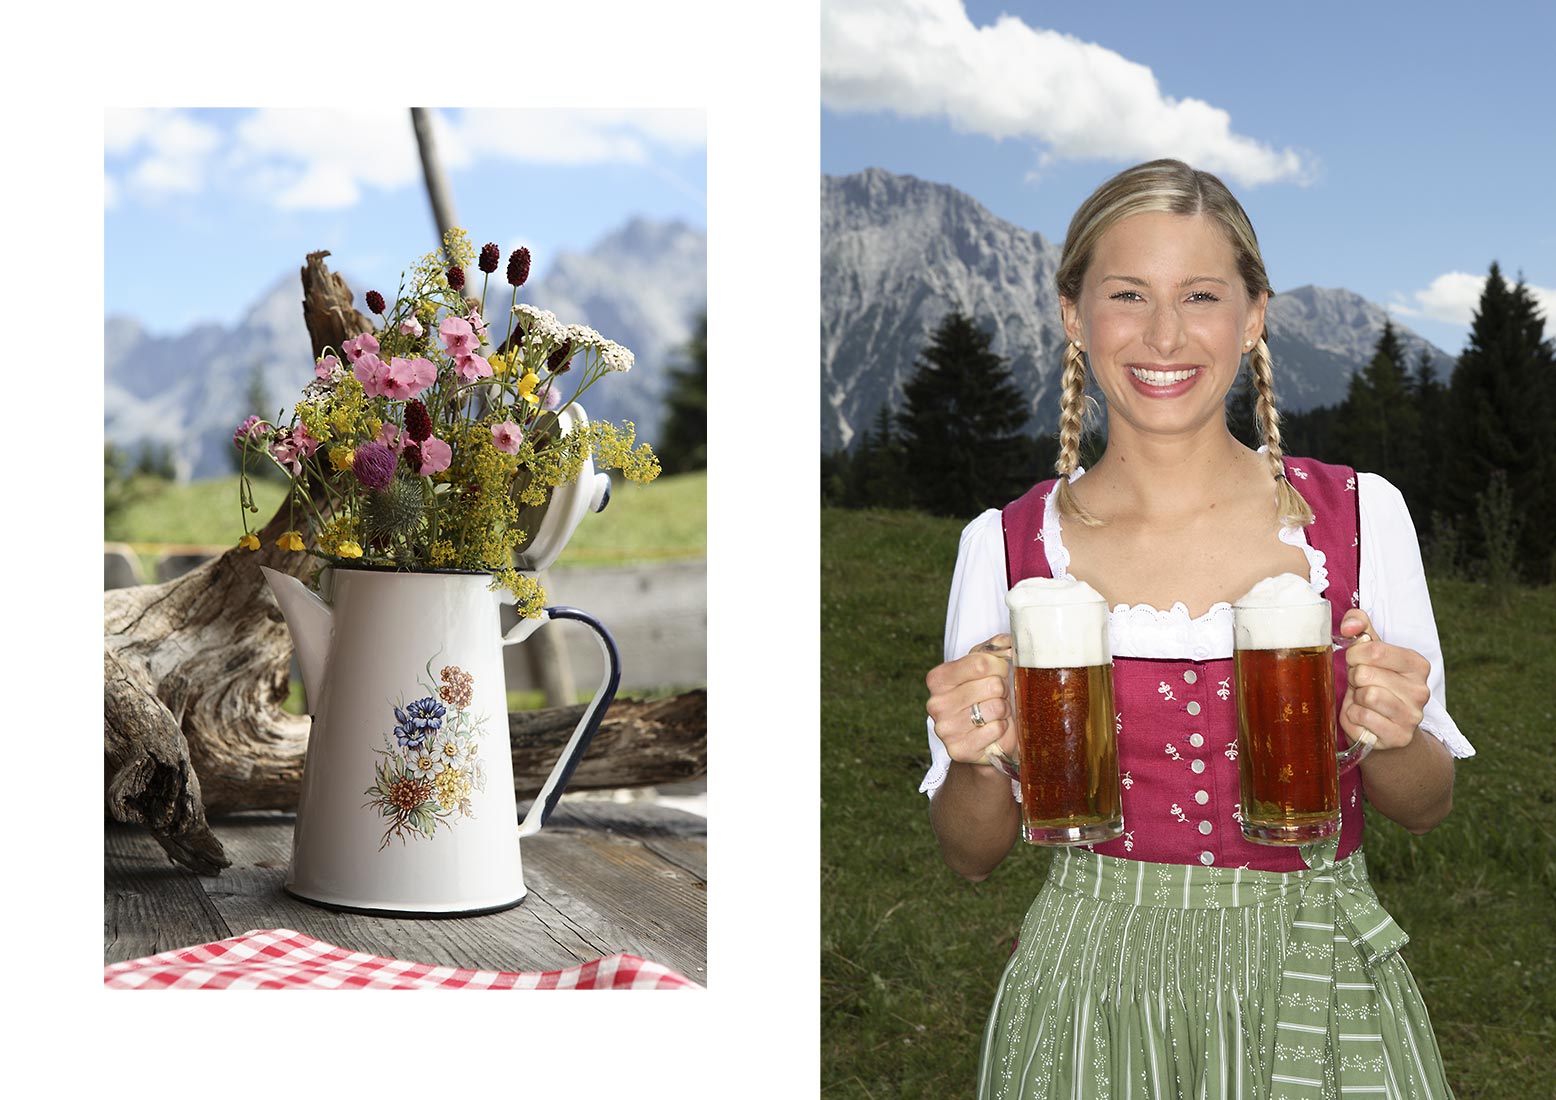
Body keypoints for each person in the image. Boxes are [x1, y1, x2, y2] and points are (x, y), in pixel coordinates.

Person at [921, 159, 1474, 1099]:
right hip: (1091, 987)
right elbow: (971, 853)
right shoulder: (1007, 547)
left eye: (1202, 296)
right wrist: (976, 757)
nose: (1164, 335)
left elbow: (1424, 805)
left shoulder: (1359, 516)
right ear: (1072, 315)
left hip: (1313, 977)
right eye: (1127, 294)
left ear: (1253, 314)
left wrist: (1392, 733)